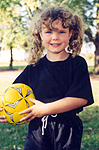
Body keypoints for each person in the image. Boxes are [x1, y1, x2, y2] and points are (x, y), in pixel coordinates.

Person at [0, 6, 94, 150]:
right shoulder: (33, 67)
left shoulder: (77, 63)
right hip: (37, 131)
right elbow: (13, 94)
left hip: (67, 130)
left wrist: (45, 109)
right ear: (40, 34)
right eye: (49, 31)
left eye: (61, 32)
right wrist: (4, 111)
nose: (55, 37)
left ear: (70, 34)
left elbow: (80, 98)